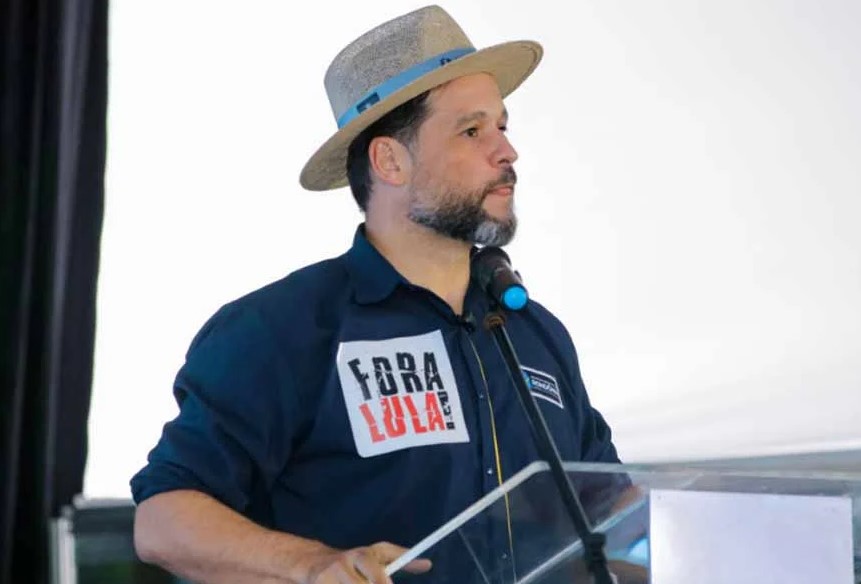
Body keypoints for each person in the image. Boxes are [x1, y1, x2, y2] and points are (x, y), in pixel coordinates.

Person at [131, 5, 627, 583]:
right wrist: (314, 566)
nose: (506, 151)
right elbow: (162, 522)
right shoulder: (282, 329)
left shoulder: (535, 333)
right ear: (390, 160)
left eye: (502, 127)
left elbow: (612, 504)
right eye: (472, 131)